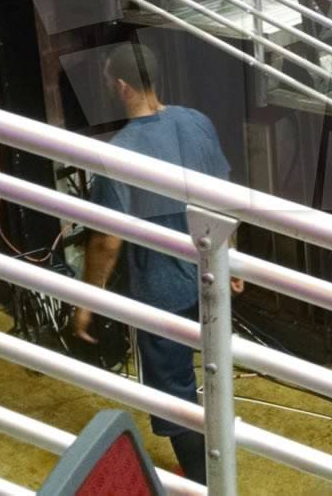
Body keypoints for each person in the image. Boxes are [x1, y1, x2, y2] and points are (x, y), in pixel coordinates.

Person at [70, 42, 239, 485]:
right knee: (212, 367)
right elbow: (223, 192)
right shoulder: (196, 121)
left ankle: (207, 480)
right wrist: (232, 256)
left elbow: (106, 240)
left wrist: (86, 299)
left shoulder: (120, 151)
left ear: (122, 86)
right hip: (209, 275)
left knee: (172, 389)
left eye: (110, 81)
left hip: (161, 293)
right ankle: (212, 457)